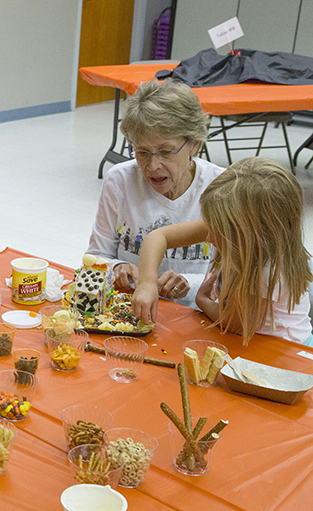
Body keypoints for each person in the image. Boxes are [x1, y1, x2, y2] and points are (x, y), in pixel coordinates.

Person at [132, 157, 313, 345]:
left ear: (251, 235)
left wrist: (201, 299)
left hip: (285, 352)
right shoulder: (233, 229)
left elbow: (234, 324)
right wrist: (147, 283)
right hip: (249, 338)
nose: (208, 237)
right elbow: (158, 237)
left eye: (217, 233)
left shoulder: (266, 269)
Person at [86, 79, 225, 308]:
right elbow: (95, 257)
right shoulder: (120, 180)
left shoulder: (221, 188)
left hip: (196, 314)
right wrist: (117, 267)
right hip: (128, 311)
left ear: (194, 145)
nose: (152, 166)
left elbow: (237, 275)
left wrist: (190, 281)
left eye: (166, 152)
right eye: (142, 152)